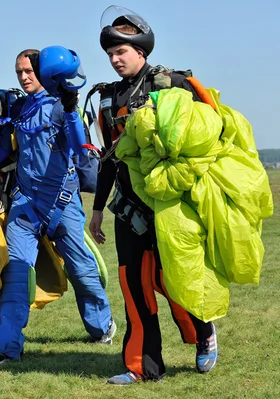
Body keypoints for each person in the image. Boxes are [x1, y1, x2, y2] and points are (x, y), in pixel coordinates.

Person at [89, 5, 218, 384]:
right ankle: (142, 367)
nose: (115, 60)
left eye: (121, 52)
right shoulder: (108, 98)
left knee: (174, 277)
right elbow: (109, 158)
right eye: (111, 54)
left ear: (141, 51)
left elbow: (207, 137)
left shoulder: (174, 84)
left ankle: (202, 332)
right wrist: (97, 210)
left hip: (170, 205)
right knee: (133, 284)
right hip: (129, 205)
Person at [0, 49, 115, 364]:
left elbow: (82, 151)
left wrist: (70, 109)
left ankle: (100, 326)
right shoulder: (18, 109)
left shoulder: (60, 107)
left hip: (62, 204)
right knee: (16, 273)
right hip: (26, 206)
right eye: (19, 72)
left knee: (82, 271)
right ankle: (6, 347)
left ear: (45, 73)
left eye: (30, 71)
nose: (25, 77)